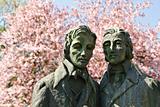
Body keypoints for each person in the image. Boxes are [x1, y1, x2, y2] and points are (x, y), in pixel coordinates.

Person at [31, 25, 99, 107]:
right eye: (77, 47)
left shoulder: (95, 89)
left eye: (89, 48)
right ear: (67, 47)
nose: (84, 53)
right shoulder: (46, 85)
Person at [100, 28, 160, 107]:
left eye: (117, 43)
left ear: (127, 48)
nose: (111, 49)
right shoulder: (98, 87)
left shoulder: (148, 85)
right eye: (107, 44)